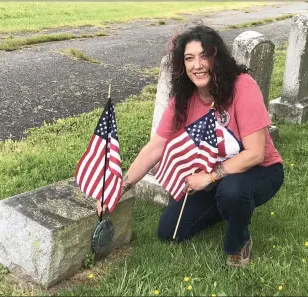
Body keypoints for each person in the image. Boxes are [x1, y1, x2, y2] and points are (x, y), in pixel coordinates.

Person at [97, 25, 284, 267]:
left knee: (232, 191)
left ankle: (238, 240)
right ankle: (228, 206)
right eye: (189, 58)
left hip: (262, 170)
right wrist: (119, 188)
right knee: (170, 231)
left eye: (204, 55)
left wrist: (209, 177)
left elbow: (256, 153)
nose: (197, 65)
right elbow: (155, 148)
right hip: (214, 178)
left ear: (217, 58)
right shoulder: (183, 101)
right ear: (182, 65)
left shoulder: (242, 86)